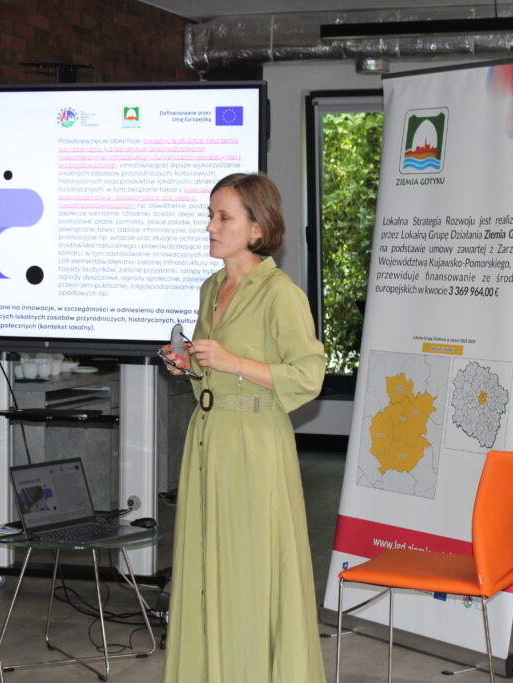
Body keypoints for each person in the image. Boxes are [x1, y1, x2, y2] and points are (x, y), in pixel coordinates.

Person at [161, 173, 326, 683]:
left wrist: (231, 362)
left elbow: (309, 375)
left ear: (257, 228)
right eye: (209, 215)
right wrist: (189, 365)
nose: (210, 227)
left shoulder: (281, 294)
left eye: (223, 217)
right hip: (207, 438)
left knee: (248, 571)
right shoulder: (211, 287)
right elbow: (212, 370)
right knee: (205, 567)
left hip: (255, 444)